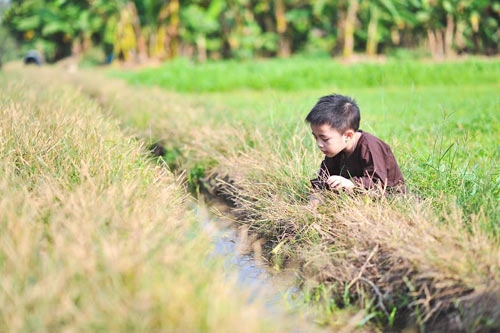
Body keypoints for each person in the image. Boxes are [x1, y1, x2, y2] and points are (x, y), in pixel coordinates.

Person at [305, 94, 405, 202]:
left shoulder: (369, 147)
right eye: (315, 137)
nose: (319, 144)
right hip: (356, 196)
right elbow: (325, 176)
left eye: (325, 139)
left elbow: (378, 182)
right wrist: (318, 193)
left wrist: (351, 183)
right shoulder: (335, 150)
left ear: (348, 135)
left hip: (387, 197)